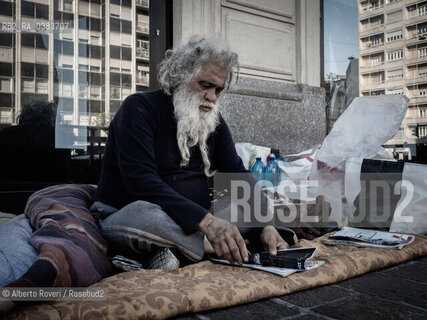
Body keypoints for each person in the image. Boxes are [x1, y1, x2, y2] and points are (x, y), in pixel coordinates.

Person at [92, 35, 291, 269]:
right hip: (135, 213)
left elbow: (238, 174)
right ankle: (212, 246)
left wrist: (267, 224)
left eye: (218, 90)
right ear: (179, 77)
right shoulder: (138, 108)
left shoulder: (212, 120)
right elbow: (140, 182)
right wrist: (208, 224)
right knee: (149, 216)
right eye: (205, 86)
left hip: (195, 220)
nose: (212, 98)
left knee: (242, 207)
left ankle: (175, 251)